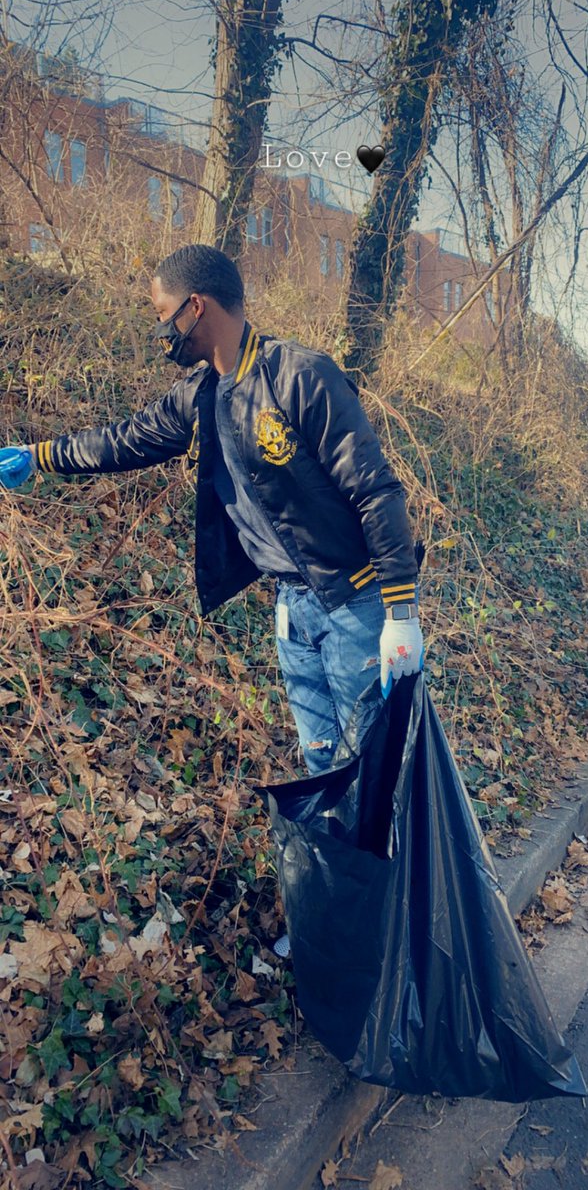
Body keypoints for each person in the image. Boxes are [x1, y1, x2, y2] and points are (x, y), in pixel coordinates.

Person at [1, 244, 424, 946]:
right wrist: (41, 456)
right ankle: (341, 935)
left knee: (369, 778)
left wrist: (400, 611)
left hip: (356, 609)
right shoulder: (202, 396)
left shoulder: (300, 377)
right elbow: (125, 441)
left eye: (163, 313)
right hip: (293, 612)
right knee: (323, 769)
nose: (160, 329)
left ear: (196, 306)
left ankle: (394, 939)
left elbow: (375, 490)